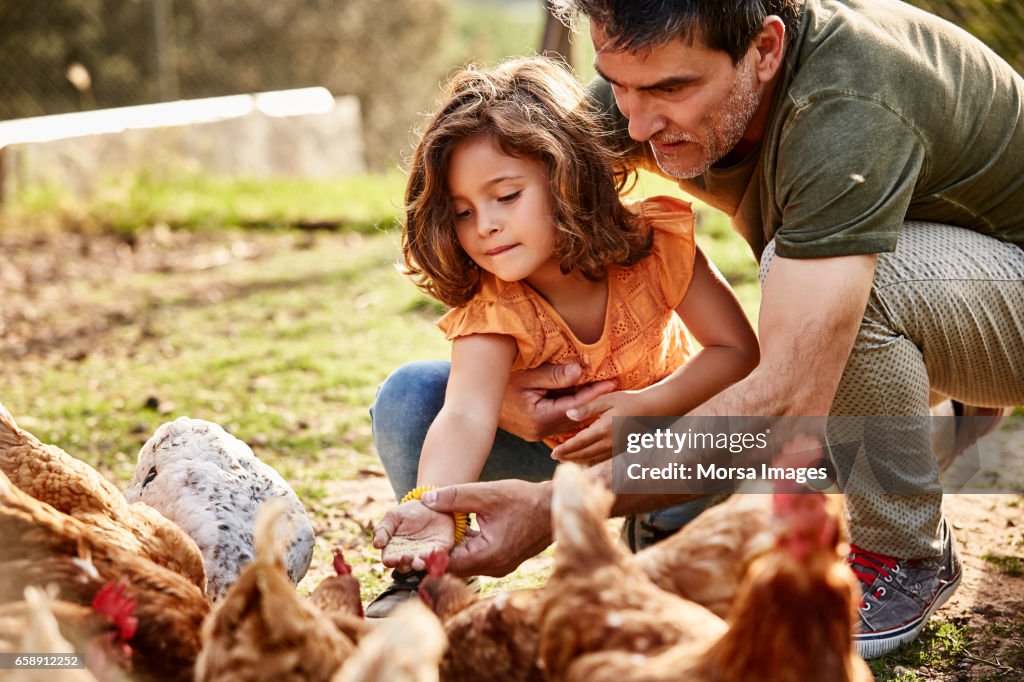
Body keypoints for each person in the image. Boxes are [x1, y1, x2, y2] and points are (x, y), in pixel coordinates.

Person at [373, 0, 1024, 658]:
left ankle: (902, 548)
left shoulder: (849, 101)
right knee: (416, 397)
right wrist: (502, 406)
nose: (636, 122)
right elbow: (547, 151)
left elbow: (784, 387)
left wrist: (558, 508)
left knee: (852, 292)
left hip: (1005, 283)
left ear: (766, 51)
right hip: (947, 298)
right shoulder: (649, 70)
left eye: (670, 90)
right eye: (617, 84)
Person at [366, 56, 759, 617]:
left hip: (662, 449)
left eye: (506, 196)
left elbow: (738, 353)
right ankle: (431, 569)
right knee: (411, 395)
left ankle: (660, 537)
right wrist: (434, 507)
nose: (486, 226)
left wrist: (645, 407)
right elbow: (465, 415)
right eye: (462, 212)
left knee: (732, 430)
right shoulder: (495, 302)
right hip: (554, 458)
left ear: (567, 174)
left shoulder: (657, 243)